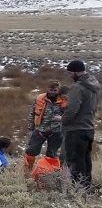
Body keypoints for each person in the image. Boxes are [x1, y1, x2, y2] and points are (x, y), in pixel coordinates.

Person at [61, 60, 99, 189]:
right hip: (89, 128)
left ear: (77, 71)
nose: (70, 75)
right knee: (85, 161)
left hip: (76, 130)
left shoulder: (78, 87)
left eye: (71, 72)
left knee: (75, 161)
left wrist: (62, 120)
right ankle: (86, 188)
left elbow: (72, 110)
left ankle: (78, 190)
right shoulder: (93, 85)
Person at [23, 80, 67, 170]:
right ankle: (27, 171)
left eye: (55, 90)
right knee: (31, 151)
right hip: (40, 130)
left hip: (56, 131)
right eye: (51, 89)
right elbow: (32, 112)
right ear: (47, 88)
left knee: (52, 154)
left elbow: (70, 115)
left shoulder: (63, 100)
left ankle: (47, 173)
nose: (53, 92)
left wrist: (62, 119)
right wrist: (31, 125)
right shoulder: (40, 98)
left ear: (58, 90)